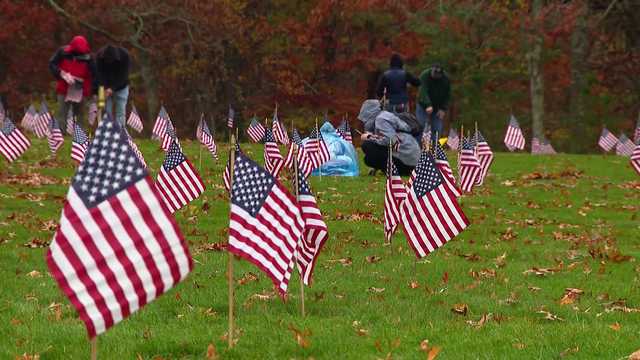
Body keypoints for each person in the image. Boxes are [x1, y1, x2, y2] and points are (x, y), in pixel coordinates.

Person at [358, 99, 420, 176]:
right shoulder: (384, 116)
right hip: (409, 157)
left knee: (367, 147)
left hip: (406, 158)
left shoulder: (380, 119)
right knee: (370, 153)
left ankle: (396, 170)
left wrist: (369, 137)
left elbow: (390, 140)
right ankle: (394, 169)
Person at [49, 35, 96, 130]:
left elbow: (94, 74)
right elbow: (52, 64)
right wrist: (61, 73)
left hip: (81, 89)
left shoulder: (89, 57)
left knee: (80, 114)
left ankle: (80, 136)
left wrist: (92, 90)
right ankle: (61, 133)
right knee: (62, 112)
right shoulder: (62, 52)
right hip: (64, 87)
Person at [95, 45, 131, 125]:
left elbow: (123, 76)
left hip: (122, 87)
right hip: (104, 87)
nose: (109, 62)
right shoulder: (99, 56)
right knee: (106, 111)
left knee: (120, 111)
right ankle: (106, 133)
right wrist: (103, 89)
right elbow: (99, 74)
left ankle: (120, 133)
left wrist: (111, 89)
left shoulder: (125, 56)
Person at [416, 63, 451, 142]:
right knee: (420, 126)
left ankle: (434, 149)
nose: (436, 75)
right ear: (431, 70)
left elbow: (447, 95)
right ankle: (418, 148)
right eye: (434, 73)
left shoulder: (445, 79)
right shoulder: (424, 75)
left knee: (437, 128)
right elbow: (423, 91)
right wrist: (428, 104)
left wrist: (443, 108)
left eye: (438, 74)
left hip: (437, 107)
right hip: (423, 105)